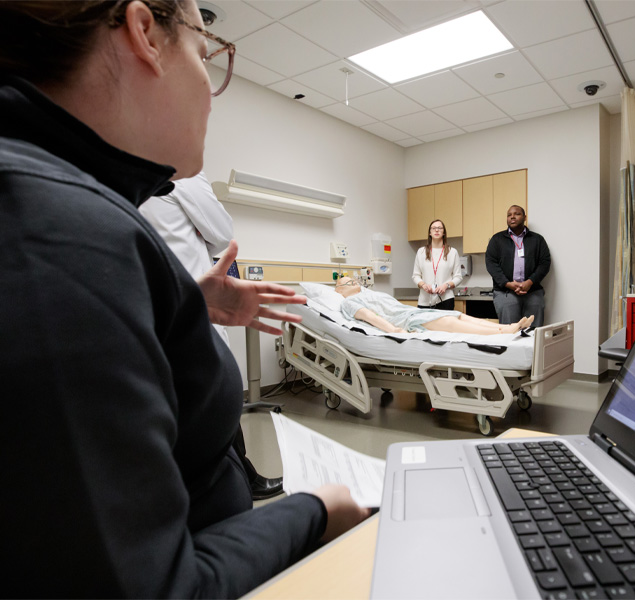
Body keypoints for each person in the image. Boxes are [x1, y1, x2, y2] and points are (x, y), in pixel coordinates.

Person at [0, 1, 368, 597]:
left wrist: (171, 306)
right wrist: (315, 511)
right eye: (205, 53)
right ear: (145, 33)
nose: (210, 88)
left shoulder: (61, 205)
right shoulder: (55, 231)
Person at [141, 171, 283, 501]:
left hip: (163, 303)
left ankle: (232, 480)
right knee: (218, 397)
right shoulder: (182, 173)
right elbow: (222, 235)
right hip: (196, 304)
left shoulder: (129, 180)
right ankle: (241, 481)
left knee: (193, 403)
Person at [335, 277, 532, 334]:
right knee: (448, 320)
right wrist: (394, 331)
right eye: (349, 282)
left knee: (458, 315)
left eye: (355, 281)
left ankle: (506, 326)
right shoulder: (349, 302)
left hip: (411, 312)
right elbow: (370, 317)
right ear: (339, 289)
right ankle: (502, 333)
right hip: (404, 320)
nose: (355, 283)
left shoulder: (371, 293)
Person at [485, 205, 552, 327]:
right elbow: (491, 263)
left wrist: (530, 282)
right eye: (509, 215)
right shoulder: (497, 239)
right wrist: (507, 283)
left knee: (533, 333)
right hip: (506, 292)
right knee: (510, 332)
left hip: (532, 292)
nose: (512, 217)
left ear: (525, 217)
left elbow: (545, 263)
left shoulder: (537, 239)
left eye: (516, 214)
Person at [412, 219, 462, 310]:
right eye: (433, 228)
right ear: (429, 233)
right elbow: (415, 276)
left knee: (446, 324)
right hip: (425, 301)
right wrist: (423, 285)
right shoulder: (421, 252)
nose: (436, 230)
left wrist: (446, 285)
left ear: (444, 233)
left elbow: (458, 277)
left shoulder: (452, 252)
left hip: (446, 299)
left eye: (440, 228)